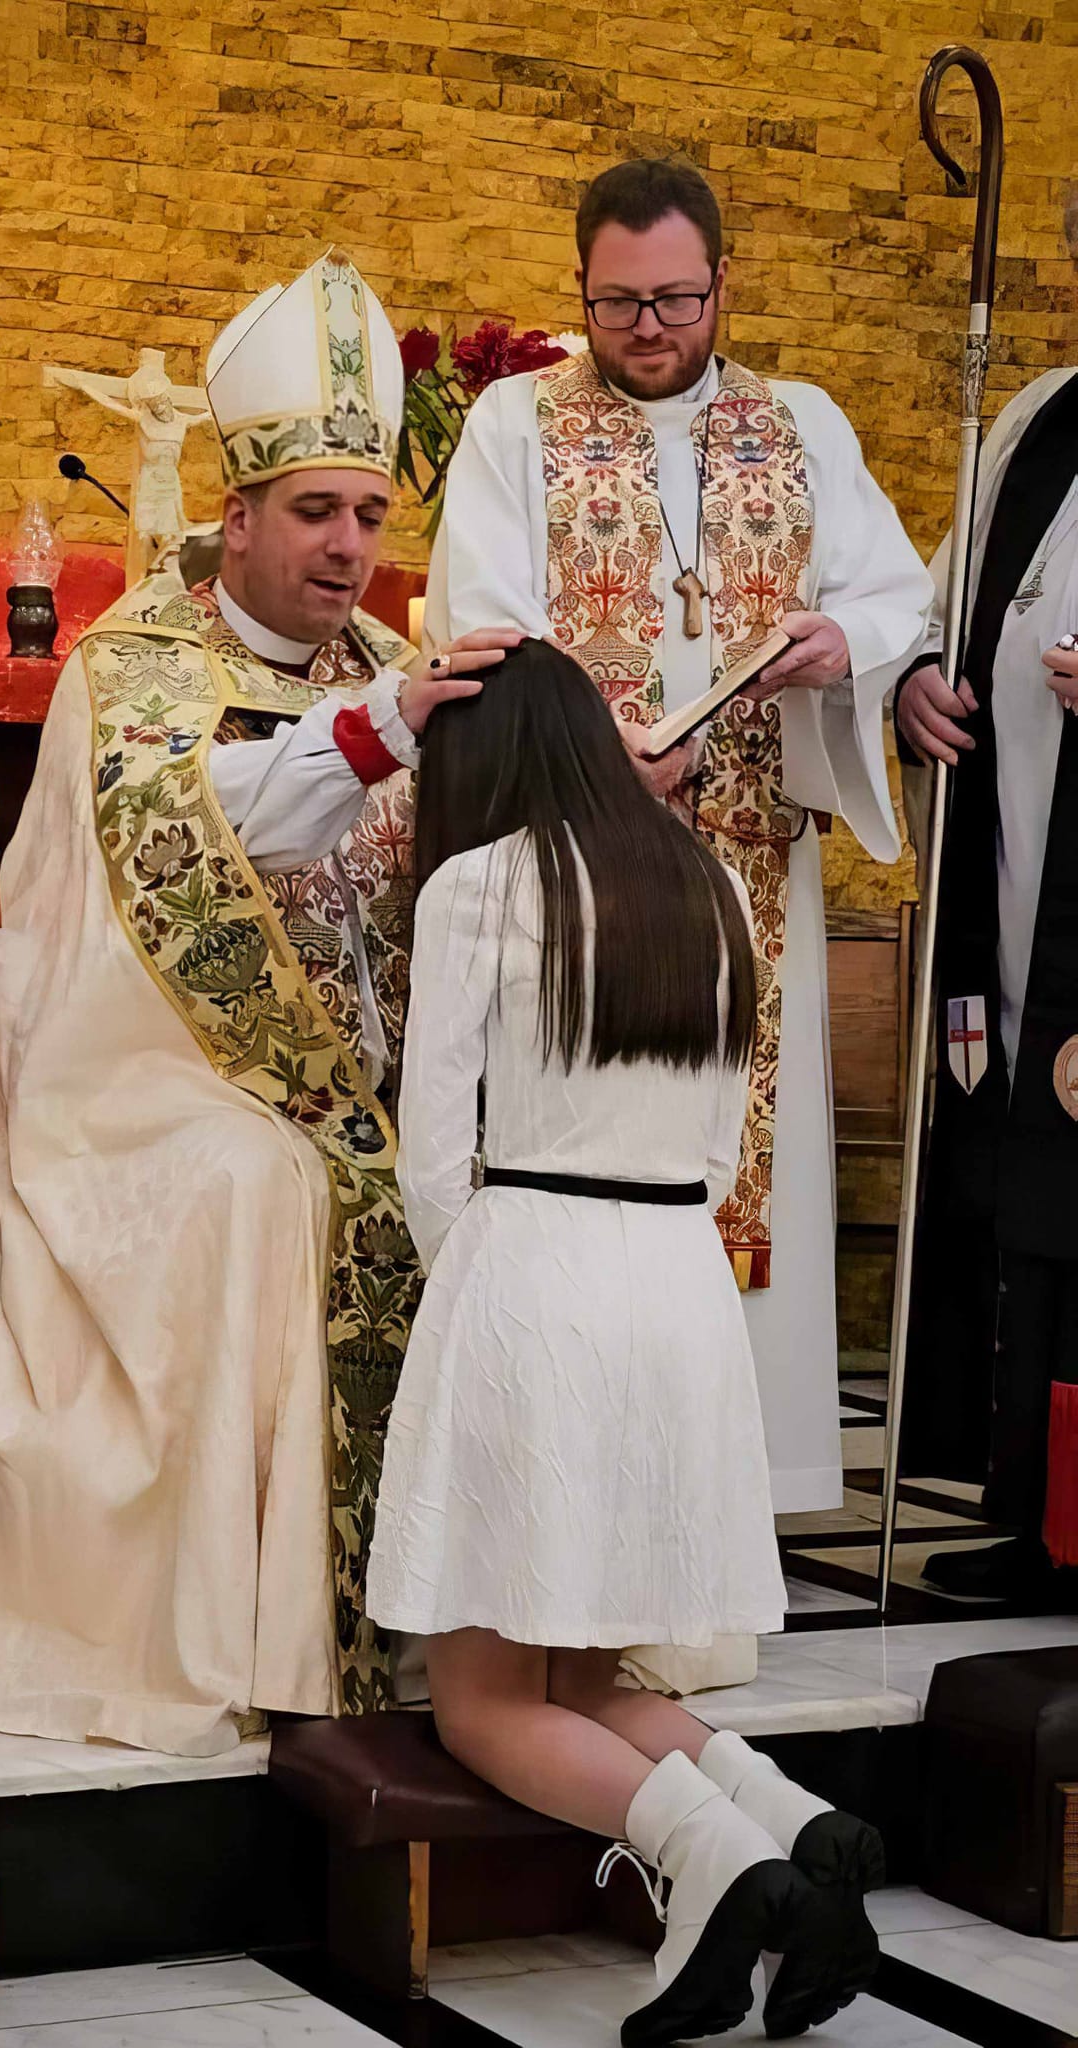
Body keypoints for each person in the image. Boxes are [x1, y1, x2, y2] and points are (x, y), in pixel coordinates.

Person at [0, 251, 506, 1755]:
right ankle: (267, 1636)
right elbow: (194, 843)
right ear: (237, 518)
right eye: (314, 513)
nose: (349, 547)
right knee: (268, 1185)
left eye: (367, 514)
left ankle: (467, 1629)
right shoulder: (140, 664)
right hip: (147, 1080)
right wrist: (375, 732)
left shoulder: (393, 662)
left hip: (371, 1069)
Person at [366, 639, 881, 2047]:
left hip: (536, 1265)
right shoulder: (706, 881)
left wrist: (466, 1292)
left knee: (478, 1699)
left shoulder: (480, 884)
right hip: (679, 1283)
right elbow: (724, 1148)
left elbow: (430, 1149)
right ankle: (800, 1821)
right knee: (591, 1674)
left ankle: (714, 1866)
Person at [427, 157, 934, 1532]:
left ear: (724, 282)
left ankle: (731, 1493)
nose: (649, 330)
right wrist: (605, 759)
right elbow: (483, 619)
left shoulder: (802, 422)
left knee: (745, 1148)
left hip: (754, 843)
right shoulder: (515, 425)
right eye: (618, 305)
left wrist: (851, 644)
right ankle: (579, 1485)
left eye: (675, 301)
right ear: (580, 289)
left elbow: (895, 594)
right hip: (580, 857)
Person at [896, 263, 1078, 1601]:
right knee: (1030, 1165)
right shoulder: (1037, 422)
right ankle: (1036, 1504)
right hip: (1020, 885)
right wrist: (910, 681)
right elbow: (935, 600)